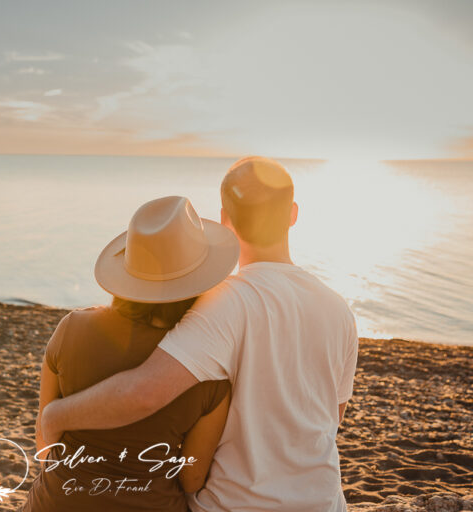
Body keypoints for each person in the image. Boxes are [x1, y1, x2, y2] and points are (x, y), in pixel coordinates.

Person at [40, 156, 359, 512]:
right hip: (326, 504)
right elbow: (332, 416)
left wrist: (57, 415)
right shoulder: (339, 309)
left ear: (226, 219)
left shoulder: (224, 301)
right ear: (293, 214)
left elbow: (143, 393)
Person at [23, 195, 238, 512]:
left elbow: (45, 445)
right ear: (200, 281)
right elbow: (191, 479)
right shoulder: (206, 369)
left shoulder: (71, 329)